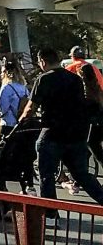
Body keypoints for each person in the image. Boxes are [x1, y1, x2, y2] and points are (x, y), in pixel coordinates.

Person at [21, 47, 103, 206]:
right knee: (81, 174)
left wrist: (21, 121)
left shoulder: (44, 79)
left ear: (43, 61)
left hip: (53, 133)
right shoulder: (75, 79)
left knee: (46, 174)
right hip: (75, 134)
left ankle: (50, 212)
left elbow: (30, 108)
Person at [79, 63, 103, 169]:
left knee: (91, 143)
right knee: (87, 149)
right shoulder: (97, 87)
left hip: (94, 123)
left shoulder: (86, 90)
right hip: (99, 121)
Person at [0, 62, 29, 129]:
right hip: (21, 122)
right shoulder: (23, 87)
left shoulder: (6, 88)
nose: (1, 74)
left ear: (6, 73)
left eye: (2, 72)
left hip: (8, 123)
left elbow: (2, 109)